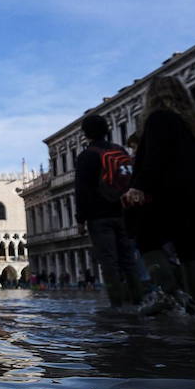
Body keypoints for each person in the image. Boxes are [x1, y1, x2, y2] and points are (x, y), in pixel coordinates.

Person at [123, 75, 195, 314]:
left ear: (152, 97)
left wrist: (138, 186)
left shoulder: (158, 119)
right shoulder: (192, 123)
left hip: (169, 194)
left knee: (146, 239)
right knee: (190, 247)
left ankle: (168, 291)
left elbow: (154, 159)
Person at [75, 115, 145, 308]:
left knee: (109, 262)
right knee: (129, 261)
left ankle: (117, 305)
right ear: (107, 130)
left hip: (99, 217)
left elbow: (81, 190)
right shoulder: (120, 150)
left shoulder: (86, 156)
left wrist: (80, 220)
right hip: (124, 212)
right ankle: (139, 301)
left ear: (85, 134)